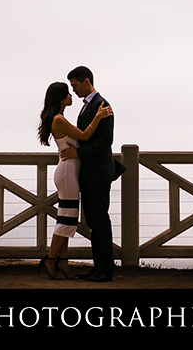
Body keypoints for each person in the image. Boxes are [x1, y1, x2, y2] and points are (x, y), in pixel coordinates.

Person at [37, 81, 112, 279]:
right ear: (61, 98)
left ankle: (62, 262)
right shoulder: (58, 119)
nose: (72, 96)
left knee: (66, 217)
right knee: (68, 218)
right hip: (67, 173)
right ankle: (51, 258)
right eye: (68, 93)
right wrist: (98, 116)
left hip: (68, 172)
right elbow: (85, 135)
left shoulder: (59, 118)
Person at [59, 66, 117, 282]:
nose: (73, 90)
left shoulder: (102, 105)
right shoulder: (88, 106)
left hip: (98, 173)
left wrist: (78, 153)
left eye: (74, 85)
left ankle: (105, 270)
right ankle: (98, 267)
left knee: (100, 221)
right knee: (94, 221)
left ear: (86, 81)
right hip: (90, 173)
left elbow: (105, 140)